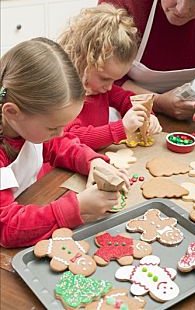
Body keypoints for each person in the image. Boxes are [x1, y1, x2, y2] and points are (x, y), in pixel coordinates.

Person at [0, 37, 129, 248]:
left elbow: (60, 144)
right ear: (12, 112)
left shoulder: (24, 124)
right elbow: (8, 228)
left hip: (29, 200)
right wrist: (76, 207)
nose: (60, 132)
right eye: (53, 128)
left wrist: (93, 162)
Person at [59, 3, 162, 150]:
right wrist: (122, 128)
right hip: (66, 171)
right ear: (85, 60)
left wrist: (147, 116)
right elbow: (73, 138)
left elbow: (128, 99)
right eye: (105, 78)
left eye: (115, 80)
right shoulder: (64, 95)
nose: (109, 87)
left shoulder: (101, 89)